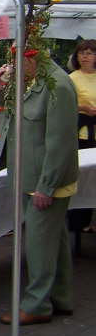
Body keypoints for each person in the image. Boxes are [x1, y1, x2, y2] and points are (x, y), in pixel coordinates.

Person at [0, 47, 79, 325]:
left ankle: (37, 305)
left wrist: (47, 186)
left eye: (18, 62)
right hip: (28, 176)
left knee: (38, 244)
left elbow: (60, 143)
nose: (14, 67)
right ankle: (62, 297)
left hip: (43, 181)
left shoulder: (59, 86)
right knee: (55, 240)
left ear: (33, 58)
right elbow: (12, 118)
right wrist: (0, 87)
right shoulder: (31, 81)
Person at [66, 39, 96, 234]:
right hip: (81, 133)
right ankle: (77, 223)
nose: (85, 56)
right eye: (82, 52)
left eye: (90, 52)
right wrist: (83, 107)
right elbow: (65, 104)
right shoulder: (72, 78)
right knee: (81, 177)